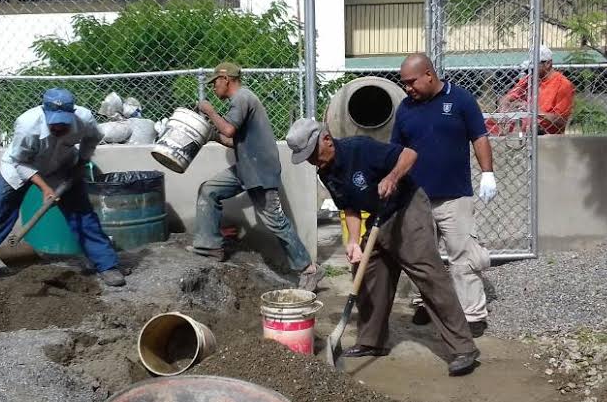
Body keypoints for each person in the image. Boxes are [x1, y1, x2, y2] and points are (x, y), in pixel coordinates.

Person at [285, 118, 479, 376]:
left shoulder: (360, 148)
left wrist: (392, 177)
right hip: (378, 219)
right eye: (306, 158)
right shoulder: (326, 172)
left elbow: (409, 154)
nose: (311, 162)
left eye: (312, 154)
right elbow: (350, 208)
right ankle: (371, 341)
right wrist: (353, 241)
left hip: (406, 209)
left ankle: (463, 348)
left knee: (429, 275)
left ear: (327, 140)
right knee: (367, 274)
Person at [0, 88, 128, 291]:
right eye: (54, 122)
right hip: (19, 169)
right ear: (44, 112)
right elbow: (19, 161)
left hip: (62, 168)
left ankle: (107, 265)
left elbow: (92, 138)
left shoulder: (84, 119)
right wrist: (44, 188)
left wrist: (82, 162)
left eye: (64, 122)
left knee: (83, 216)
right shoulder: (27, 125)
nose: (59, 127)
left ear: (73, 113)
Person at [190, 62, 323, 292]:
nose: (214, 87)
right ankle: (209, 245)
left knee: (275, 222)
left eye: (215, 82)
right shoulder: (242, 100)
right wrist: (212, 134)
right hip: (247, 167)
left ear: (226, 79)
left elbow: (229, 131)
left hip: (260, 170)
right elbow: (234, 141)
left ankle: (309, 269)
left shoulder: (242, 98)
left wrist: (209, 111)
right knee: (209, 189)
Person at [392, 53, 495, 337]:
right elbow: (396, 151)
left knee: (463, 255)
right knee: (421, 256)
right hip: (416, 198)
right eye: (404, 84)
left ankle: (473, 313)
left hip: (454, 196)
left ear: (429, 74)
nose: (407, 88)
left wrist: (488, 172)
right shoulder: (405, 109)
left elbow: (480, 137)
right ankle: (424, 302)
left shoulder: (461, 100)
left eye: (411, 82)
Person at [497, 44, 576, 135]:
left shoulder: (563, 84)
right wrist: (504, 113)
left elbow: (561, 121)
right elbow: (506, 98)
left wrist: (534, 111)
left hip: (549, 137)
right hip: (528, 135)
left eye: (534, 67)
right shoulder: (530, 79)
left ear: (548, 64)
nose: (530, 71)